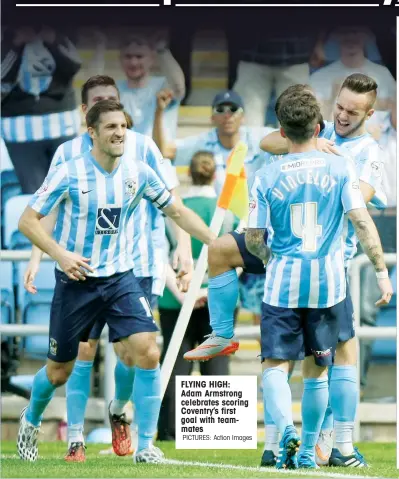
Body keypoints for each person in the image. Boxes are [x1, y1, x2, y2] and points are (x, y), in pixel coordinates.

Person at [16, 99, 216, 464]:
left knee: (148, 350)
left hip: (121, 278)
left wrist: (215, 242)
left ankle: (146, 446)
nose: (119, 133)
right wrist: (59, 254)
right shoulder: (69, 171)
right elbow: (27, 222)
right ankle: (30, 419)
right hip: (76, 282)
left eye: (122, 126)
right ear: (91, 132)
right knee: (59, 372)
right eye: (110, 127)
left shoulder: (138, 171)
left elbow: (177, 211)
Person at [245, 91, 392, 469]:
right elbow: (361, 220)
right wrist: (380, 270)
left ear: (282, 129)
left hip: (283, 282)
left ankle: (281, 437)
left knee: (275, 365)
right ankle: (313, 451)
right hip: (328, 282)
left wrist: (270, 259)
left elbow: (254, 239)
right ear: (319, 126)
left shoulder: (265, 174)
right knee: (319, 370)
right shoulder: (341, 167)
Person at [153, 89, 274, 332]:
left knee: (265, 316)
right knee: (222, 309)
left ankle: (270, 368)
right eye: (221, 109)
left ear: (243, 116)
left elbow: (291, 138)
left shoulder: (260, 139)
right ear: (212, 117)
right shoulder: (203, 141)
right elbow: (164, 151)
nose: (227, 115)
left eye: (233, 109)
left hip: (255, 233)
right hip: (222, 231)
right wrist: (159, 112)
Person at [157, 151, 233, 440]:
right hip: (218, 299)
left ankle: (168, 432)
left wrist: (183, 294)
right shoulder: (227, 214)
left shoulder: (174, 209)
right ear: (215, 174)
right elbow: (235, 261)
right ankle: (217, 434)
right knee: (216, 363)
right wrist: (208, 291)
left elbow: (161, 256)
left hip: (174, 298)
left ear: (189, 174)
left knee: (175, 363)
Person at [1, 26, 82, 193]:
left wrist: (52, 40)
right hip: (21, 130)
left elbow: (73, 66)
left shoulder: (61, 24)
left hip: (62, 124)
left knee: (68, 192)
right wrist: (16, 43)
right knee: (35, 197)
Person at [310, 26, 396, 120]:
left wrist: (371, 98)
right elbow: (315, 121)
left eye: (356, 32)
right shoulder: (319, 77)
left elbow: (392, 117)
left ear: (366, 37)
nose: (351, 37)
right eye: (345, 32)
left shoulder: (384, 74)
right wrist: (334, 97)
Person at [118, 33, 185, 138]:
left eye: (139, 56)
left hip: (158, 153)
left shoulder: (163, 85)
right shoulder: (113, 90)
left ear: (152, 58)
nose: (133, 62)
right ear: (120, 59)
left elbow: (178, 87)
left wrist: (162, 50)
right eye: (128, 56)